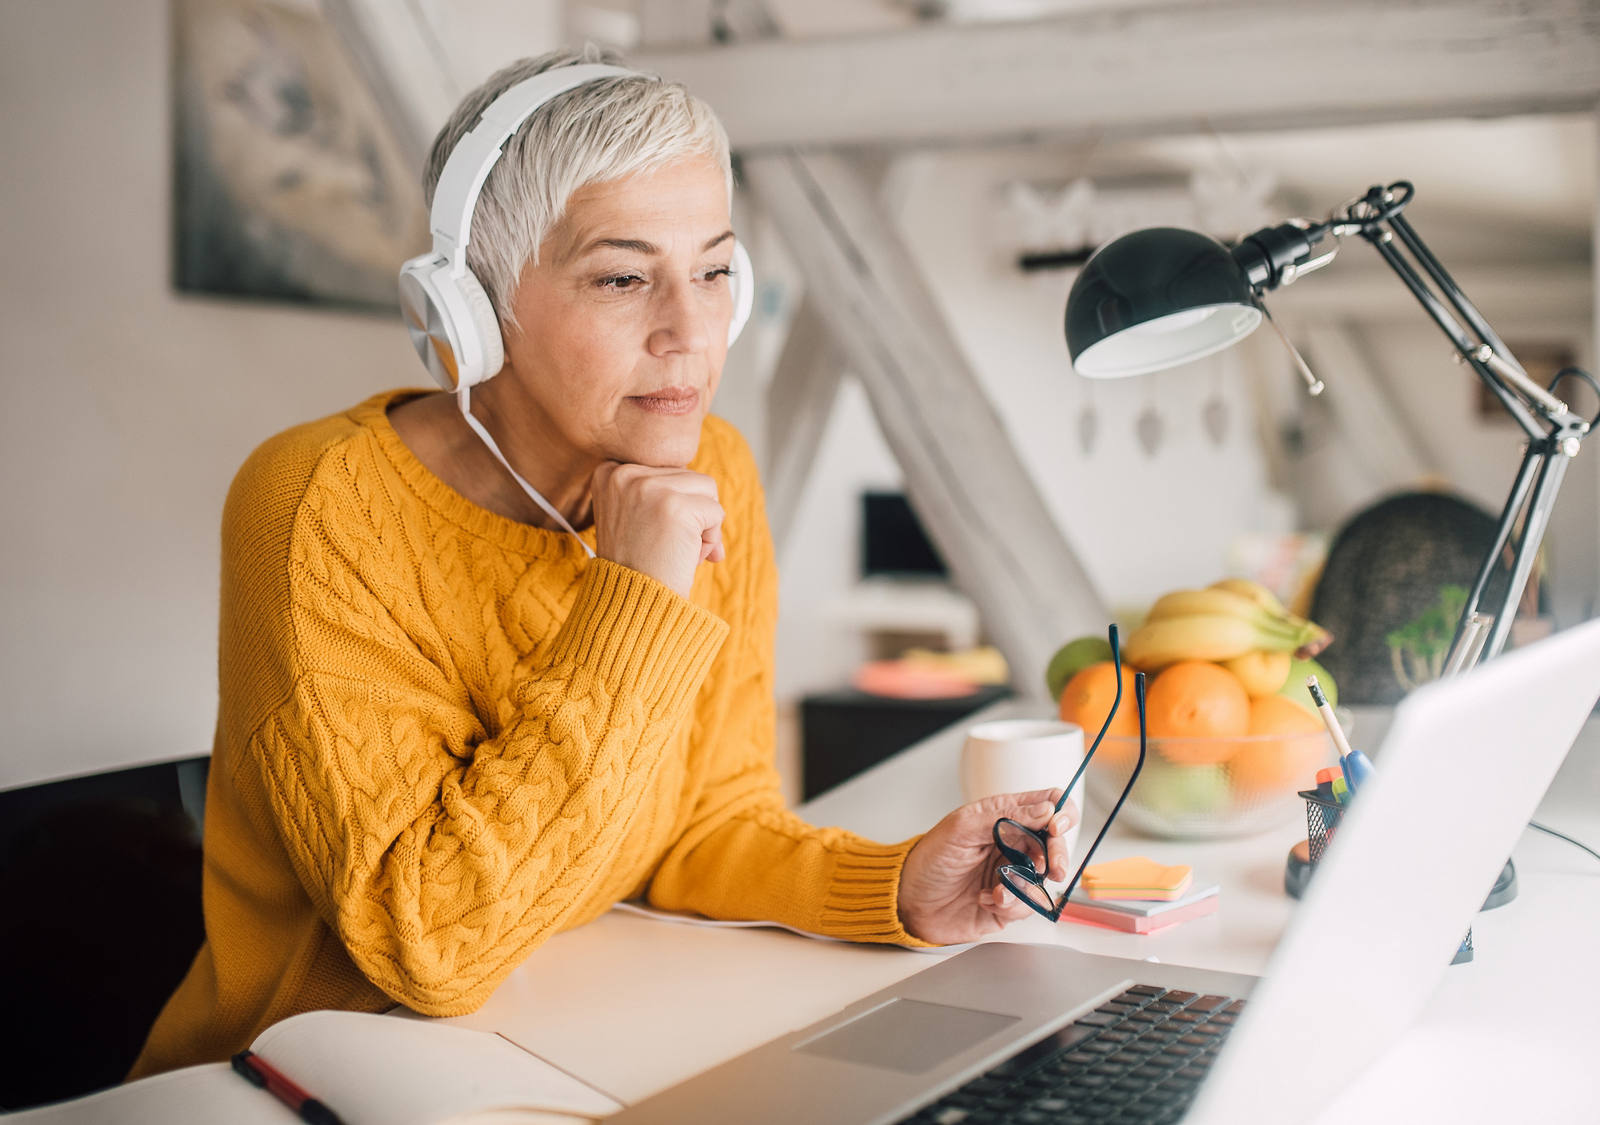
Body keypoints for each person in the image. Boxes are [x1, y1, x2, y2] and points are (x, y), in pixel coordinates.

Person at [128, 46, 1076, 1080]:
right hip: (290, 1086)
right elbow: (432, 950)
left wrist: (895, 887)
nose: (689, 331)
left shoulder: (715, 468)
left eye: (714, 271)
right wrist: (634, 597)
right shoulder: (317, 506)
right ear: (475, 311)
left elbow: (701, 821)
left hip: (560, 1045)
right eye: (623, 277)